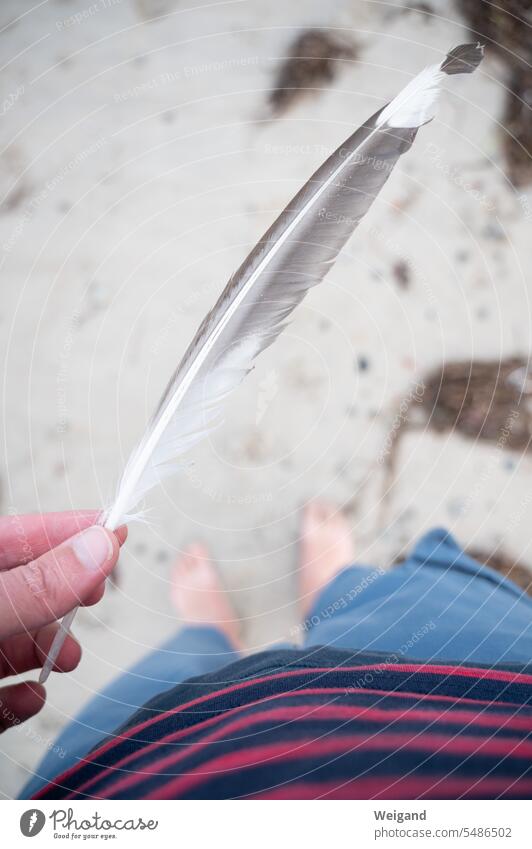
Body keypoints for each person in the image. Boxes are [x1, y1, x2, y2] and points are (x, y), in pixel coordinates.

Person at [2, 506, 531, 800]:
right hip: (494, 706)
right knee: (423, 604)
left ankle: (208, 636)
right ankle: (333, 593)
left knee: (165, 680)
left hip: (129, 777)